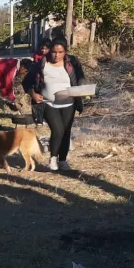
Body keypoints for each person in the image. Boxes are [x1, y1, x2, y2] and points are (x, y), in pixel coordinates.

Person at [23, 38, 86, 171]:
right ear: (49, 51)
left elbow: (81, 78)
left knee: (66, 132)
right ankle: (53, 159)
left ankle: (63, 161)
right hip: (48, 103)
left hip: (69, 103)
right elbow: (27, 82)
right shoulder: (41, 64)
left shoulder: (72, 63)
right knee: (58, 130)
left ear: (65, 52)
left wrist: (83, 89)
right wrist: (33, 94)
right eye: (53, 52)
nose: (56, 55)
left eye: (60, 52)